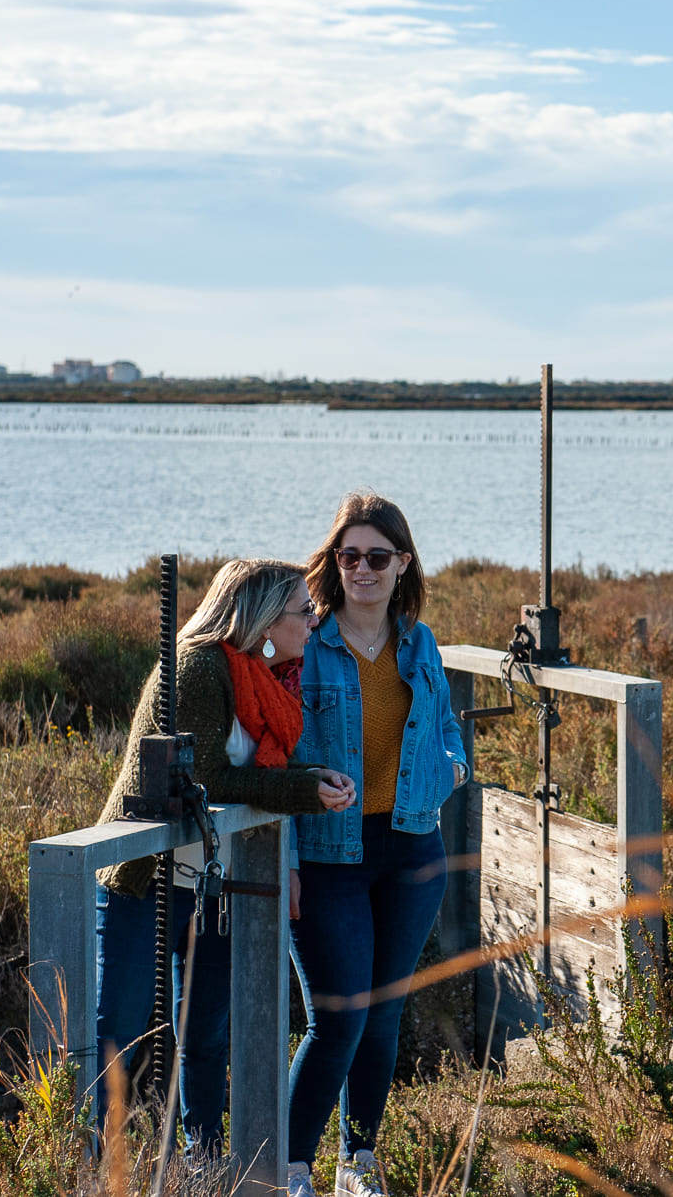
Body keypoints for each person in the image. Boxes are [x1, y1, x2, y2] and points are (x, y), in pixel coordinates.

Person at [92, 558, 355, 1150]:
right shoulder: (198, 666)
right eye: (303, 610)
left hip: (215, 883)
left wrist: (303, 782)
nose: (314, 621)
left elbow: (257, 773)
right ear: (263, 619)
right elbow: (206, 778)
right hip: (146, 879)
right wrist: (302, 788)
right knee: (120, 1037)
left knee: (206, 1033)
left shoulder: (272, 677)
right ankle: (91, 1172)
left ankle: (204, 1163)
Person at [285, 493, 470, 1197]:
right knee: (339, 1016)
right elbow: (280, 751)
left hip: (411, 849)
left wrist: (454, 765)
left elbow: (447, 726)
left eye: (377, 556)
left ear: (403, 563)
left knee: (386, 1010)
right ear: (335, 563)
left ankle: (356, 1162)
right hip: (331, 855)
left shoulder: (420, 644)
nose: (362, 568)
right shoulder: (310, 643)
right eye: (350, 554)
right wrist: (293, 849)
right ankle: (293, 1169)